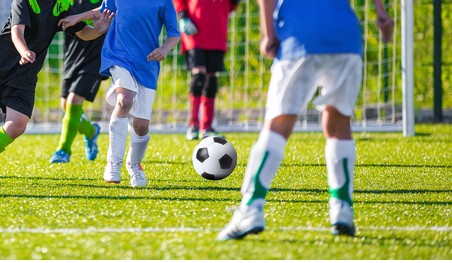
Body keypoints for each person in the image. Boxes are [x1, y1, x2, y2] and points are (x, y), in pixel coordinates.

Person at [217, 0, 394, 240]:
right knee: (339, 124)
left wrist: (269, 34)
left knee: (278, 124)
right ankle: (342, 208)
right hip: (345, 36)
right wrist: (381, 13)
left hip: (299, 35)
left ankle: (251, 207)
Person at [0, 0, 113, 186]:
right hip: (0, 65)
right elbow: (17, 31)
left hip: (25, 74)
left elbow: (82, 32)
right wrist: (24, 51)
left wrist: (98, 30)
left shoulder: (62, 5)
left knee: (17, 125)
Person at [59, 0, 181, 187]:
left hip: (147, 63)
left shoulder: (164, 2)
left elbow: (174, 33)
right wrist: (77, 17)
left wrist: (164, 49)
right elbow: (100, 11)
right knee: (124, 100)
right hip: (118, 56)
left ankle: (134, 165)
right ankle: (113, 163)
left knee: (141, 125)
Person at [173, 0, 241, 140]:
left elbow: (232, 5)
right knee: (199, 77)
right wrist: (182, 16)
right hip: (195, 32)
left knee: (211, 79)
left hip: (217, 31)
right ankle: (193, 125)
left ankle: (207, 127)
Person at [49, 0, 106, 164]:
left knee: (74, 102)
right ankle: (91, 131)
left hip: (95, 58)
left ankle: (63, 150)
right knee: (66, 105)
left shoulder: (106, 2)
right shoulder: (68, 2)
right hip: (72, 56)